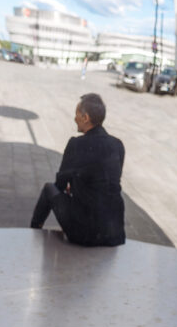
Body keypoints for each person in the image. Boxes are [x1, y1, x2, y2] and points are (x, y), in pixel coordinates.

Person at [29, 93, 126, 246]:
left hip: (85, 234)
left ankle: (33, 232)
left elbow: (60, 184)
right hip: (115, 233)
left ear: (85, 118)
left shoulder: (76, 144)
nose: (75, 119)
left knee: (49, 189)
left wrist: (73, 187)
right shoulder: (118, 145)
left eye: (76, 114)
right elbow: (106, 179)